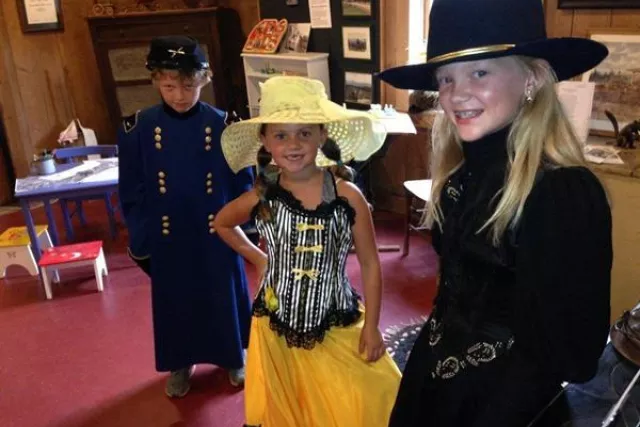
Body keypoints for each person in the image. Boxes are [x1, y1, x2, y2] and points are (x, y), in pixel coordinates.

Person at [377, 0, 613, 425]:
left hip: (505, 407)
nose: (455, 94)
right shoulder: (458, 180)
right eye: (445, 79)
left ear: (533, 78)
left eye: (480, 72)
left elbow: (574, 355)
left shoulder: (561, 194)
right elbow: (452, 297)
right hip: (432, 382)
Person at [213, 76, 401, 427]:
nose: (293, 144)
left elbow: (371, 264)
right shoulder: (262, 194)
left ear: (322, 135)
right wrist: (258, 257)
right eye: (281, 135)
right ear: (266, 140)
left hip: (334, 320)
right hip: (275, 328)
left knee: (366, 395)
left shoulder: (347, 195)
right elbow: (222, 222)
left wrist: (372, 326)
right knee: (291, 410)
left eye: (304, 132)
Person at [117, 35, 253, 398]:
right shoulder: (139, 128)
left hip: (217, 228)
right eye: (169, 86)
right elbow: (131, 190)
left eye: (189, 86)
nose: (179, 95)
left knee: (222, 291)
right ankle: (180, 360)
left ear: (205, 80)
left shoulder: (224, 123)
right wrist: (142, 239)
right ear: (156, 81)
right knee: (176, 296)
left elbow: (244, 183)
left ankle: (231, 355)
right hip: (168, 232)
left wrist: (245, 230)